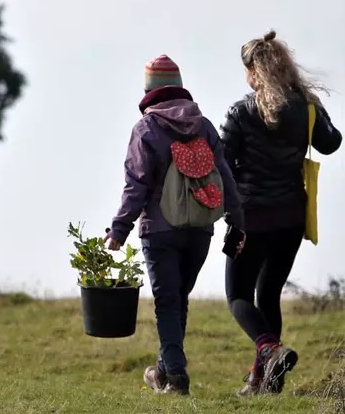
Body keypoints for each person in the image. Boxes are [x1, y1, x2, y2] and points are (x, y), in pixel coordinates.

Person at [106, 55, 243, 396]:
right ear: (179, 87)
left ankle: (177, 377)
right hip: (200, 228)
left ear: (149, 90)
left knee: (168, 301)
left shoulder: (146, 129)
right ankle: (163, 374)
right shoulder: (205, 126)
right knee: (178, 299)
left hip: (160, 230)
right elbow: (225, 177)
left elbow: (136, 182)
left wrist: (119, 229)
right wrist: (236, 222)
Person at [220, 30, 342, 396]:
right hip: (291, 219)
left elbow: (223, 165)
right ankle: (265, 382)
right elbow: (332, 143)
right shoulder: (305, 107)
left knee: (238, 296)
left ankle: (269, 350)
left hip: (251, 219)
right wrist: (315, 108)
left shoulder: (240, 112)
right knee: (269, 293)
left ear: (255, 72)